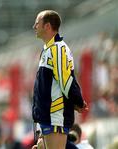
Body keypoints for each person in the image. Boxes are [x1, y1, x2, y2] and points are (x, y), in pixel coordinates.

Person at [32, 10, 87, 149]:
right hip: (47, 116)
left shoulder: (58, 49)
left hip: (55, 115)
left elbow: (66, 81)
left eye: (37, 23)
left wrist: (78, 101)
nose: (34, 27)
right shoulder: (48, 49)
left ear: (47, 26)